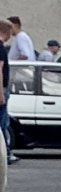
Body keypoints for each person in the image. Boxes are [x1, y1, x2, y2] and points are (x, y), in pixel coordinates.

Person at [0, 19, 13, 165]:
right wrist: (1, 93)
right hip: (2, 89)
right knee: (3, 124)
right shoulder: (1, 48)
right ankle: (5, 154)